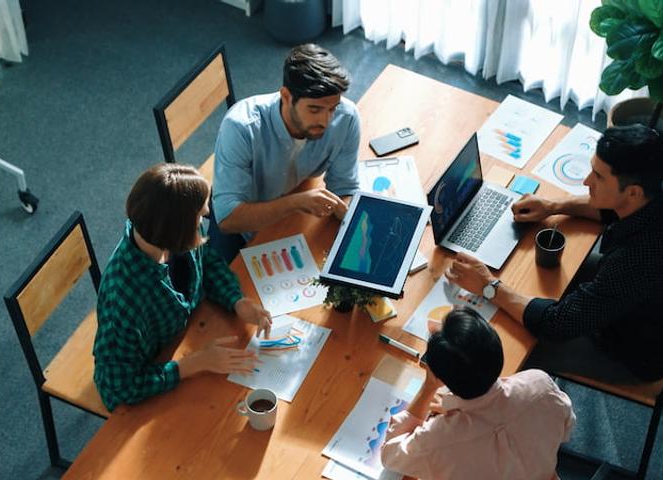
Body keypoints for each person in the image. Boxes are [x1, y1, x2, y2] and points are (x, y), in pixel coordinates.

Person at [446, 124, 663, 382]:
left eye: (599, 177)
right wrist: (553, 206)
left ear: (633, 192)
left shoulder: (636, 260)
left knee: (498, 350)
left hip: (631, 352)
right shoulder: (650, 190)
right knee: (530, 282)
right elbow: (610, 208)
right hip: (632, 297)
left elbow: (557, 324)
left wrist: (488, 286)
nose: (586, 181)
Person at [93, 163, 273, 412]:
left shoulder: (174, 231)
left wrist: (237, 301)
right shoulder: (124, 297)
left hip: (187, 334)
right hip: (154, 375)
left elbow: (207, 261)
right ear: (175, 229)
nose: (206, 215)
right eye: (200, 215)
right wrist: (195, 363)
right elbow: (121, 386)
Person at [381, 307, 575, 480]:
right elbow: (567, 429)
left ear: (440, 377)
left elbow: (390, 456)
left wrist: (428, 387)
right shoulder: (541, 385)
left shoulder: (438, 439)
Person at [209, 43, 360, 262]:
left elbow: (345, 187)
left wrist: (349, 221)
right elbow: (227, 219)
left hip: (291, 209)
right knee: (221, 291)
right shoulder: (241, 127)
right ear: (286, 96)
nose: (326, 121)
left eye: (332, 108)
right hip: (241, 220)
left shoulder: (347, 118)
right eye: (314, 109)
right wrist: (297, 203)